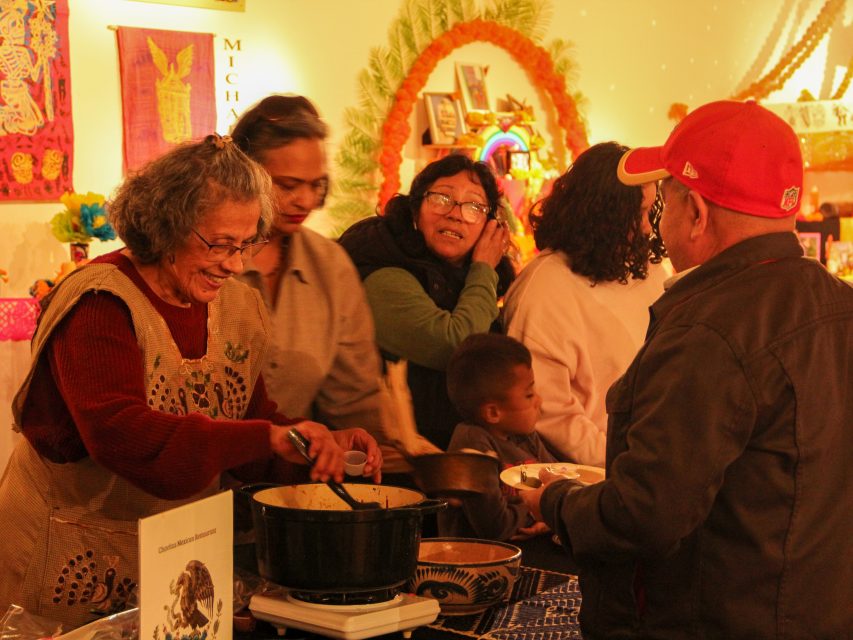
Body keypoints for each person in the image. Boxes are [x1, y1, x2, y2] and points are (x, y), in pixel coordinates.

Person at [0, 135, 381, 629]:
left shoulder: (237, 308)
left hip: (174, 553)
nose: (236, 263)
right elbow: (121, 434)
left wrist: (314, 444)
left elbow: (249, 419)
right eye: (220, 244)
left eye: (247, 244)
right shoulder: (100, 303)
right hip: (69, 552)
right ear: (165, 226)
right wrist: (263, 437)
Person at [521, 100, 853, 638]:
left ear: (696, 212)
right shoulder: (839, 305)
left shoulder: (710, 331)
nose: (656, 219)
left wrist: (556, 502)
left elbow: (646, 513)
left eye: (663, 200)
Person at [503, 141, 667, 466]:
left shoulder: (647, 269)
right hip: (593, 480)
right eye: (639, 214)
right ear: (605, 214)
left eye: (650, 211)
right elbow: (551, 415)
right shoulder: (544, 288)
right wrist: (625, 465)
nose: (648, 226)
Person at [229, 95, 384, 439]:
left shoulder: (329, 267)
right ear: (245, 174)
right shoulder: (208, 259)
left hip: (288, 480)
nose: (306, 201)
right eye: (288, 185)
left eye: (316, 185)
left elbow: (354, 399)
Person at [339, 154, 514, 452]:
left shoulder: (465, 277)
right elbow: (456, 346)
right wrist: (484, 268)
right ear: (415, 209)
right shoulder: (384, 268)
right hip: (388, 459)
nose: (456, 214)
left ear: (489, 225)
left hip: (449, 455)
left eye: (474, 206)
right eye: (442, 198)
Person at [439, 333, 555, 541]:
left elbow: (556, 483)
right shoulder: (472, 446)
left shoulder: (525, 436)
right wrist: (539, 508)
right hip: (479, 561)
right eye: (528, 395)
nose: (539, 400)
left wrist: (550, 509)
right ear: (493, 413)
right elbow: (496, 526)